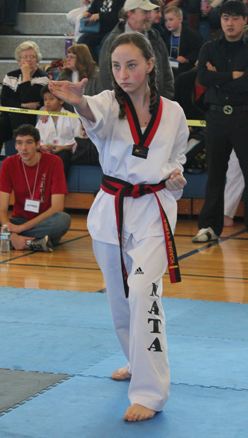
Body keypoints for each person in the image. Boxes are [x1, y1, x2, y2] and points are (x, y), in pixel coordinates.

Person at [49, 31, 188, 421]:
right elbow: (94, 115)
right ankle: (135, 361)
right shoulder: (109, 102)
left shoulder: (174, 112)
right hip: (111, 209)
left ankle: (150, 391)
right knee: (120, 300)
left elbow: (176, 155)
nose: (123, 74)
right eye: (115, 66)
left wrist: (175, 174)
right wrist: (79, 103)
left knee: (145, 291)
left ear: (149, 65)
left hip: (154, 210)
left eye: (131, 65)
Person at [192, 0, 248, 243]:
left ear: (245, 21)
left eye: (235, 18)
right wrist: (232, 76)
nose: (230, 23)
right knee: (215, 173)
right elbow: (202, 77)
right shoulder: (210, 46)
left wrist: (218, 78)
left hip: (244, 116)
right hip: (215, 117)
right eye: (226, 18)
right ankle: (208, 227)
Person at [0, 124, 71, 252]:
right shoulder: (8, 164)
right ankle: (35, 242)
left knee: (63, 220)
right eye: (19, 143)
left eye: (29, 142)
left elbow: (57, 207)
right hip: (18, 219)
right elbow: (2, 208)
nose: (24, 148)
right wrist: (12, 234)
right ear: (15, 146)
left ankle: (15, 241)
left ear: (38, 144)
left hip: (44, 220)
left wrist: (19, 229)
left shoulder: (54, 162)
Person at [97, 0, 174, 99]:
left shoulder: (156, 39)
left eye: (149, 12)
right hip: (124, 108)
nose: (148, 16)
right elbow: (105, 78)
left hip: (155, 106)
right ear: (130, 14)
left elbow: (167, 73)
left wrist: (165, 99)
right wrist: (122, 104)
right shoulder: (112, 41)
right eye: (144, 12)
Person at [0, 41, 50, 154]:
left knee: (18, 116)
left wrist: (26, 75)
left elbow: (28, 98)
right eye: (25, 57)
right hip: (9, 116)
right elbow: (4, 101)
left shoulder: (43, 77)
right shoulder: (10, 76)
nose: (28, 59)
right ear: (19, 60)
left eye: (32, 56)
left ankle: (21, 156)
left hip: (30, 117)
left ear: (37, 59)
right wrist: (22, 105)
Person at [36, 85, 83, 178]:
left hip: (65, 151)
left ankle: (59, 187)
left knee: (63, 157)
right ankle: (40, 187)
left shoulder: (71, 117)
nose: (47, 102)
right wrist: (42, 146)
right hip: (46, 150)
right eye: (45, 99)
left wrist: (63, 147)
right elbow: (36, 138)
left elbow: (79, 141)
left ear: (61, 100)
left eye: (51, 99)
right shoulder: (43, 118)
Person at [164, 6, 203, 78]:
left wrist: (187, 59)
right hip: (169, 65)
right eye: (166, 20)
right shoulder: (164, 35)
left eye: (171, 19)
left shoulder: (193, 36)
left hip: (185, 66)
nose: (167, 23)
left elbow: (198, 52)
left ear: (180, 19)